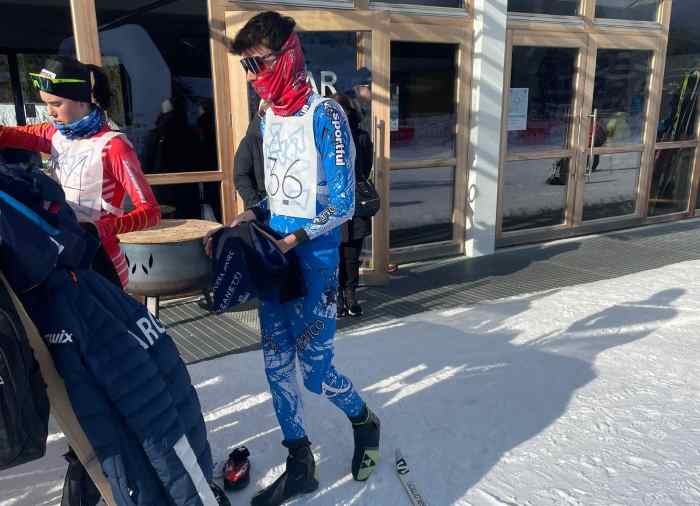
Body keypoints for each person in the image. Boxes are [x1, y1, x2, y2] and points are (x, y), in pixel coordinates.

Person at [208, 11, 381, 506]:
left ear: (286, 56)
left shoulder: (325, 115)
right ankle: (299, 460)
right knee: (274, 363)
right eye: (244, 68)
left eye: (257, 64)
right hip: (275, 257)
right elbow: (282, 193)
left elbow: (343, 202)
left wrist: (297, 238)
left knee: (316, 372)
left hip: (315, 263)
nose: (251, 77)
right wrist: (253, 215)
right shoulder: (267, 115)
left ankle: (364, 421)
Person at [0, 56, 161, 289]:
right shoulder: (53, 133)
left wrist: (104, 227)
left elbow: (152, 212)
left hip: (101, 258)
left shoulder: (114, 146)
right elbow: (6, 134)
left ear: (82, 101)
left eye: (56, 104)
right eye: (46, 104)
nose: (50, 113)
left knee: (109, 323)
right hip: (64, 250)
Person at [333, 94, 372, 317]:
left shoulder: (362, 137)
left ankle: (350, 295)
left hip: (355, 203)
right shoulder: (325, 135)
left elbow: (365, 169)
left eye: (343, 112)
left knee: (351, 254)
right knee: (335, 254)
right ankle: (337, 296)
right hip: (332, 205)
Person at [234, 100, 269, 209]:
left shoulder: (285, 139)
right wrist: (255, 204)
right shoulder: (249, 142)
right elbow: (240, 176)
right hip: (261, 204)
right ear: (262, 114)